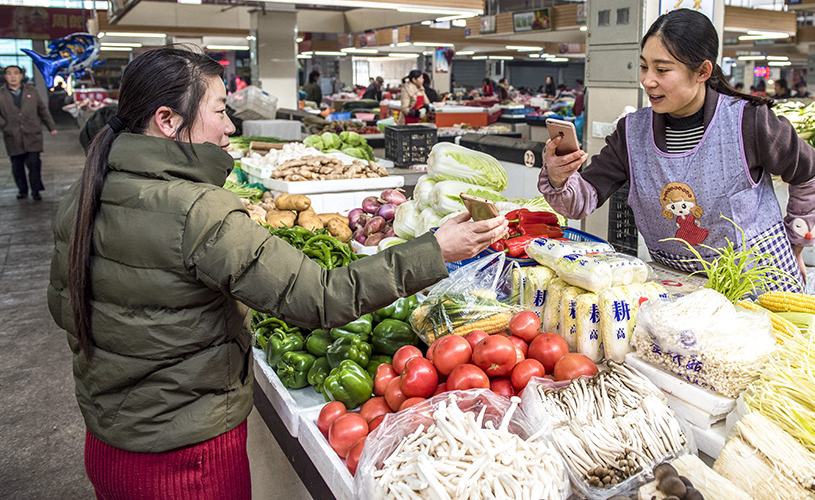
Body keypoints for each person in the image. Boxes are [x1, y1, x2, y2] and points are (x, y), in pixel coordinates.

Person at [48, 48, 507, 498]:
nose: (229, 127)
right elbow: (321, 296)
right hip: (186, 460)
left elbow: (63, 306)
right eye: (220, 110)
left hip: (109, 444)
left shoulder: (85, 192)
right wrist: (434, 251)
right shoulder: (196, 209)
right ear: (168, 120)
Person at [538, 9, 815, 286]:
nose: (647, 81)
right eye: (643, 67)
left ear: (703, 71)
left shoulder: (748, 121)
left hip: (758, 285)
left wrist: (797, 241)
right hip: (681, 288)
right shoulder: (631, 133)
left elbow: (814, 174)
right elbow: (580, 202)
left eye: (662, 70)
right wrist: (559, 177)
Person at [0, 65, 57, 200]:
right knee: (17, 165)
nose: (13, 76)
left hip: (32, 134)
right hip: (12, 135)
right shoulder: (1, 94)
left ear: (21, 76)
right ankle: (22, 190)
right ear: (5, 76)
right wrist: (4, 125)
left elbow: (42, 110)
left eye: (16, 73)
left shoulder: (32, 91)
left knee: (34, 163)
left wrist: (51, 127)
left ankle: (36, 190)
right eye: (9, 74)